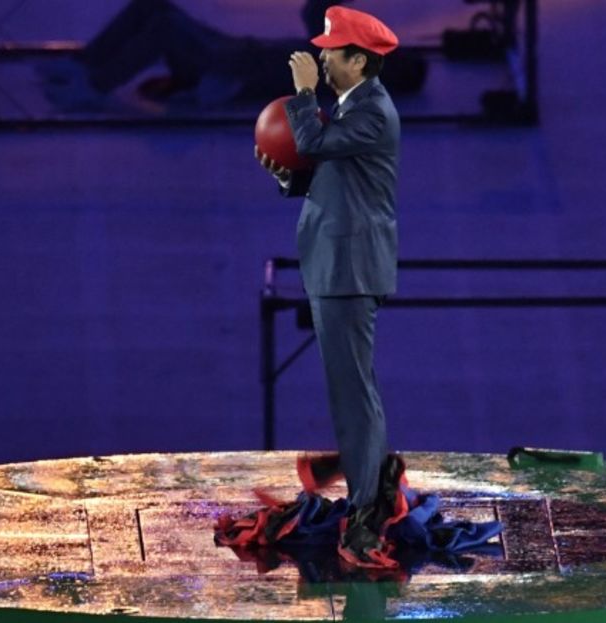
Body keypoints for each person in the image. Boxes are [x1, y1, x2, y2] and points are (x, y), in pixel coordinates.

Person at [254, 5, 402, 567]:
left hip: (349, 268)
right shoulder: (351, 107)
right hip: (333, 263)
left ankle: (367, 508)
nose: (319, 58)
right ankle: (372, 476)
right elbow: (327, 170)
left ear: (358, 60)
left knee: (353, 392)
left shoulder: (374, 113)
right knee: (349, 388)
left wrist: (301, 94)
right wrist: (289, 176)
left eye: (331, 51)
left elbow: (315, 142)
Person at [37, 0, 426, 112]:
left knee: (164, 27)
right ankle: (84, 64)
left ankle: (94, 84)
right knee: (154, 8)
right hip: (236, 53)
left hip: (230, 68)